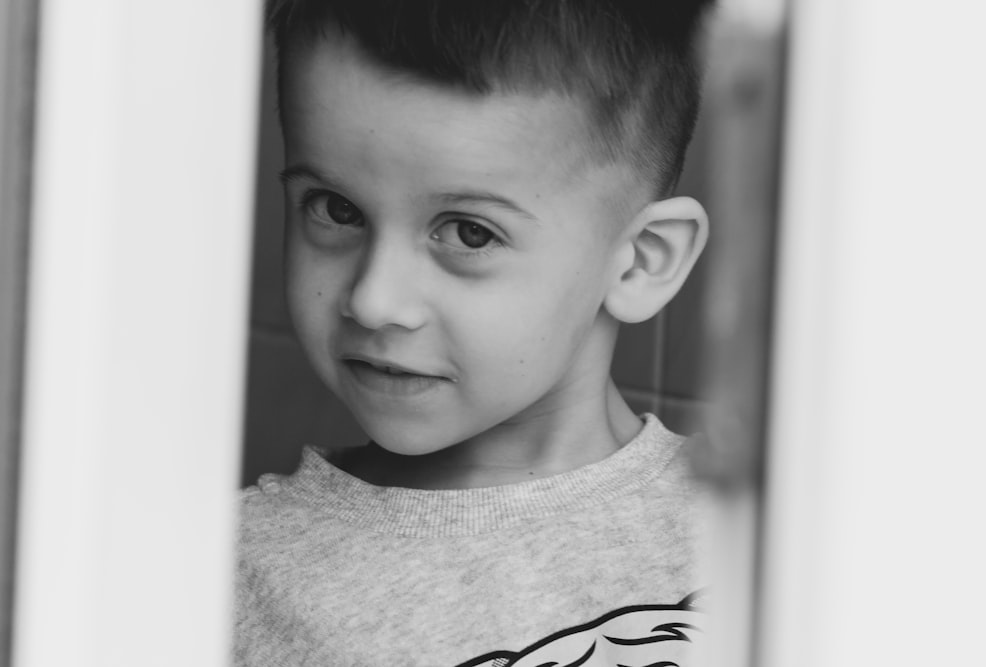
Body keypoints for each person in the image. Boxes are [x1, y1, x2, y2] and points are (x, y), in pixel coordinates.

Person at [234, 1, 715, 665]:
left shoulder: (770, 537)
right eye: (337, 209)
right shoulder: (224, 575)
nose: (376, 301)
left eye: (468, 232)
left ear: (639, 261)